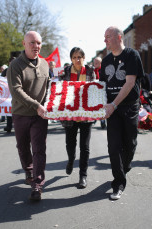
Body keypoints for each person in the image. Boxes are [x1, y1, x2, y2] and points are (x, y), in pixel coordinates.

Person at [99, 26, 145, 200]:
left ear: (119, 37)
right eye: (104, 37)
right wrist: (101, 105)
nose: (105, 41)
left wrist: (113, 105)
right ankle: (118, 183)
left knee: (130, 143)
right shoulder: (105, 61)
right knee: (113, 146)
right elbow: (101, 86)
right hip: (112, 108)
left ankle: (124, 168)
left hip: (128, 106)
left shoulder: (132, 55)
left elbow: (130, 82)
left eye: (108, 37)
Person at [7, 31, 49, 201]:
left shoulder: (45, 64)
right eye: (32, 42)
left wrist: (48, 105)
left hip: (40, 116)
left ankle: (37, 185)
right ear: (24, 44)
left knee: (39, 149)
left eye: (38, 43)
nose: (36, 46)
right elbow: (16, 91)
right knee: (23, 147)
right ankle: (29, 171)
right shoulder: (15, 66)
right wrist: (36, 105)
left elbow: (48, 87)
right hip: (21, 114)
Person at [59, 47, 96, 189]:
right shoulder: (66, 71)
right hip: (70, 114)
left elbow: (95, 88)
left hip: (86, 114)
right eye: (74, 57)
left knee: (85, 147)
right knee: (70, 145)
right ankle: (70, 160)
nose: (77, 59)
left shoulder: (90, 71)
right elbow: (57, 85)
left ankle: (83, 176)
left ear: (84, 57)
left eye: (80, 56)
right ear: (71, 59)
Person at [0, 56, 16, 132]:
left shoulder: (19, 69)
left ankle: (17, 126)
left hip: (17, 93)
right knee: (9, 110)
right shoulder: (6, 71)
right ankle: (9, 126)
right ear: (9, 63)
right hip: (8, 93)